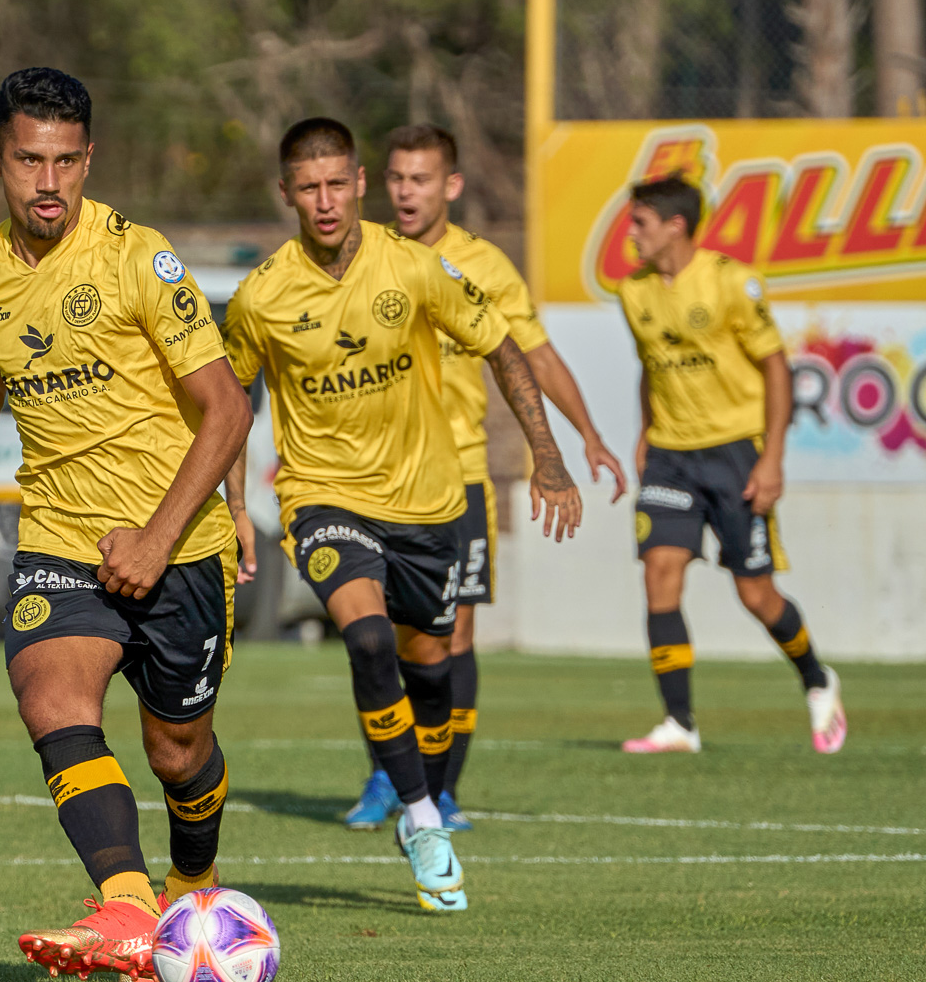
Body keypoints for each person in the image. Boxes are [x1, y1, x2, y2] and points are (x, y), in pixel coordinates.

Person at [0, 67, 251, 982]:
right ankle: (130, 908)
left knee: (180, 754)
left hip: (179, 551)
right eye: (27, 161)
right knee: (52, 699)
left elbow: (227, 412)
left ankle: (191, 881)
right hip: (61, 541)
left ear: (89, 160)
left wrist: (158, 540)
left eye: (64, 162)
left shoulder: (141, 259)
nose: (46, 183)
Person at [221, 117, 582, 913]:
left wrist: (548, 456)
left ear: (358, 184)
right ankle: (423, 821)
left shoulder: (417, 268)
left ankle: (423, 792)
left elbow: (502, 347)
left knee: (431, 664)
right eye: (306, 187)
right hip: (322, 499)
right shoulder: (260, 298)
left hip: (428, 507)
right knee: (369, 636)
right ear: (287, 194)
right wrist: (235, 508)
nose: (323, 201)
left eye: (335, 184)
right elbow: (227, 405)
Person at [340, 124, 628, 831]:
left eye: (422, 179)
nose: (408, 192)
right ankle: (387, 774)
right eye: (398, 178)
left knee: (452, 638)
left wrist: (583, 435)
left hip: (456, 477)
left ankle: (440, 790)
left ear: (451, 186)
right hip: (368, 479)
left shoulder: (484, 266)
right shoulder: (363, 255)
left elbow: (535, 356)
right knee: (375, 632)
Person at [617, 175, 845, 754]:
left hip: (735, 454)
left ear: (674, 225)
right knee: (659, 574)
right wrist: (645, 431)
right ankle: (679, 723)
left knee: (756, 595)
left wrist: (772, 459)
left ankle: (817, 681)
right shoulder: (634, 291)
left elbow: (775, 369)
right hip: (670, 456)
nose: (630, 233)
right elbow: (653, 362)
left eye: (639, 222)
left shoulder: (731, 283)